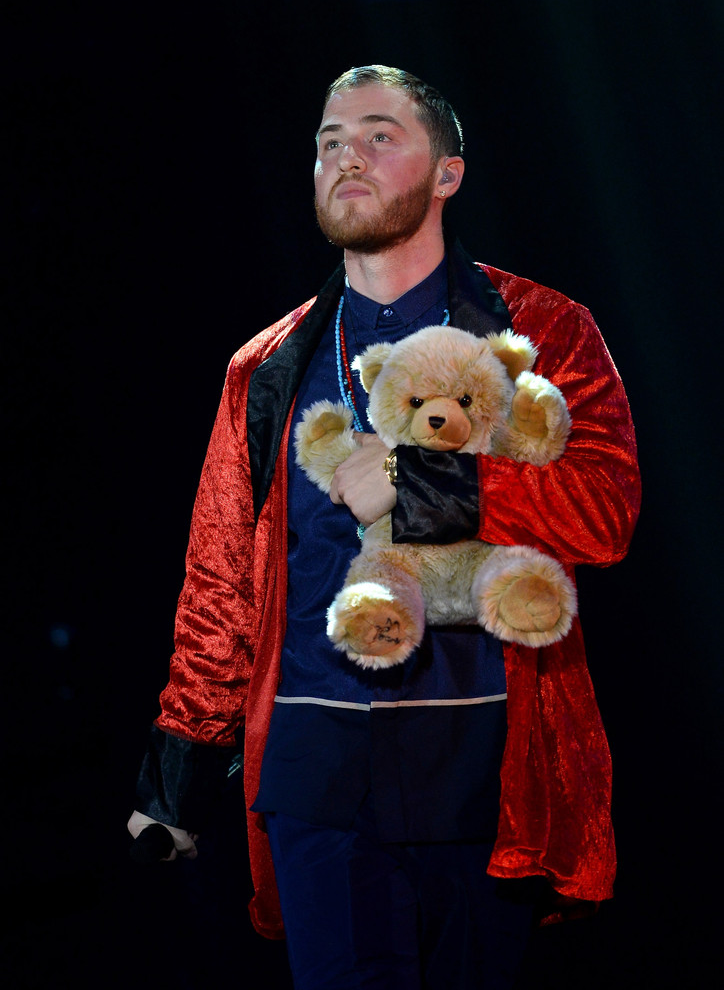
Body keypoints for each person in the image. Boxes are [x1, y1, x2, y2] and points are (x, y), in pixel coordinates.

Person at [128, 65, 641, 989]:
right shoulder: (269, 365)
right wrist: (175, 773)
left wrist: (419, 483)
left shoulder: (544, 331)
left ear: (447, 173)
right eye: (329, 141)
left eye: (377, 135)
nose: (344, 158)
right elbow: (217, 582)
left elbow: (605, 511)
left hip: (486, 768)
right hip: (318, 766)